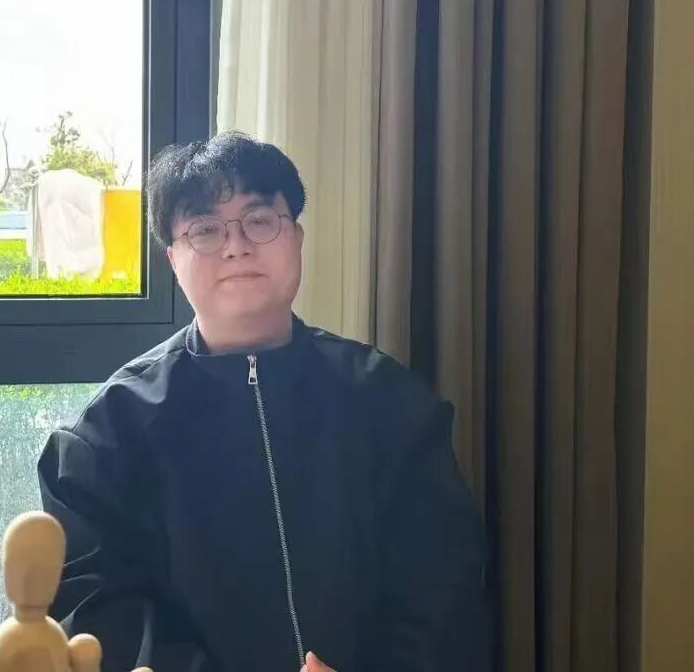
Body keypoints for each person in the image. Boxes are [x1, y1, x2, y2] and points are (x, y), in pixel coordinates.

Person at [38, 132, 490, 672]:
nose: (236, 246)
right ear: (173, 260)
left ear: (296, 237)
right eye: (205, 229)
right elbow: (93, 609)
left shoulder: (389, 402)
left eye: (259, 220)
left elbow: (444, 581)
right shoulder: (106, 435)